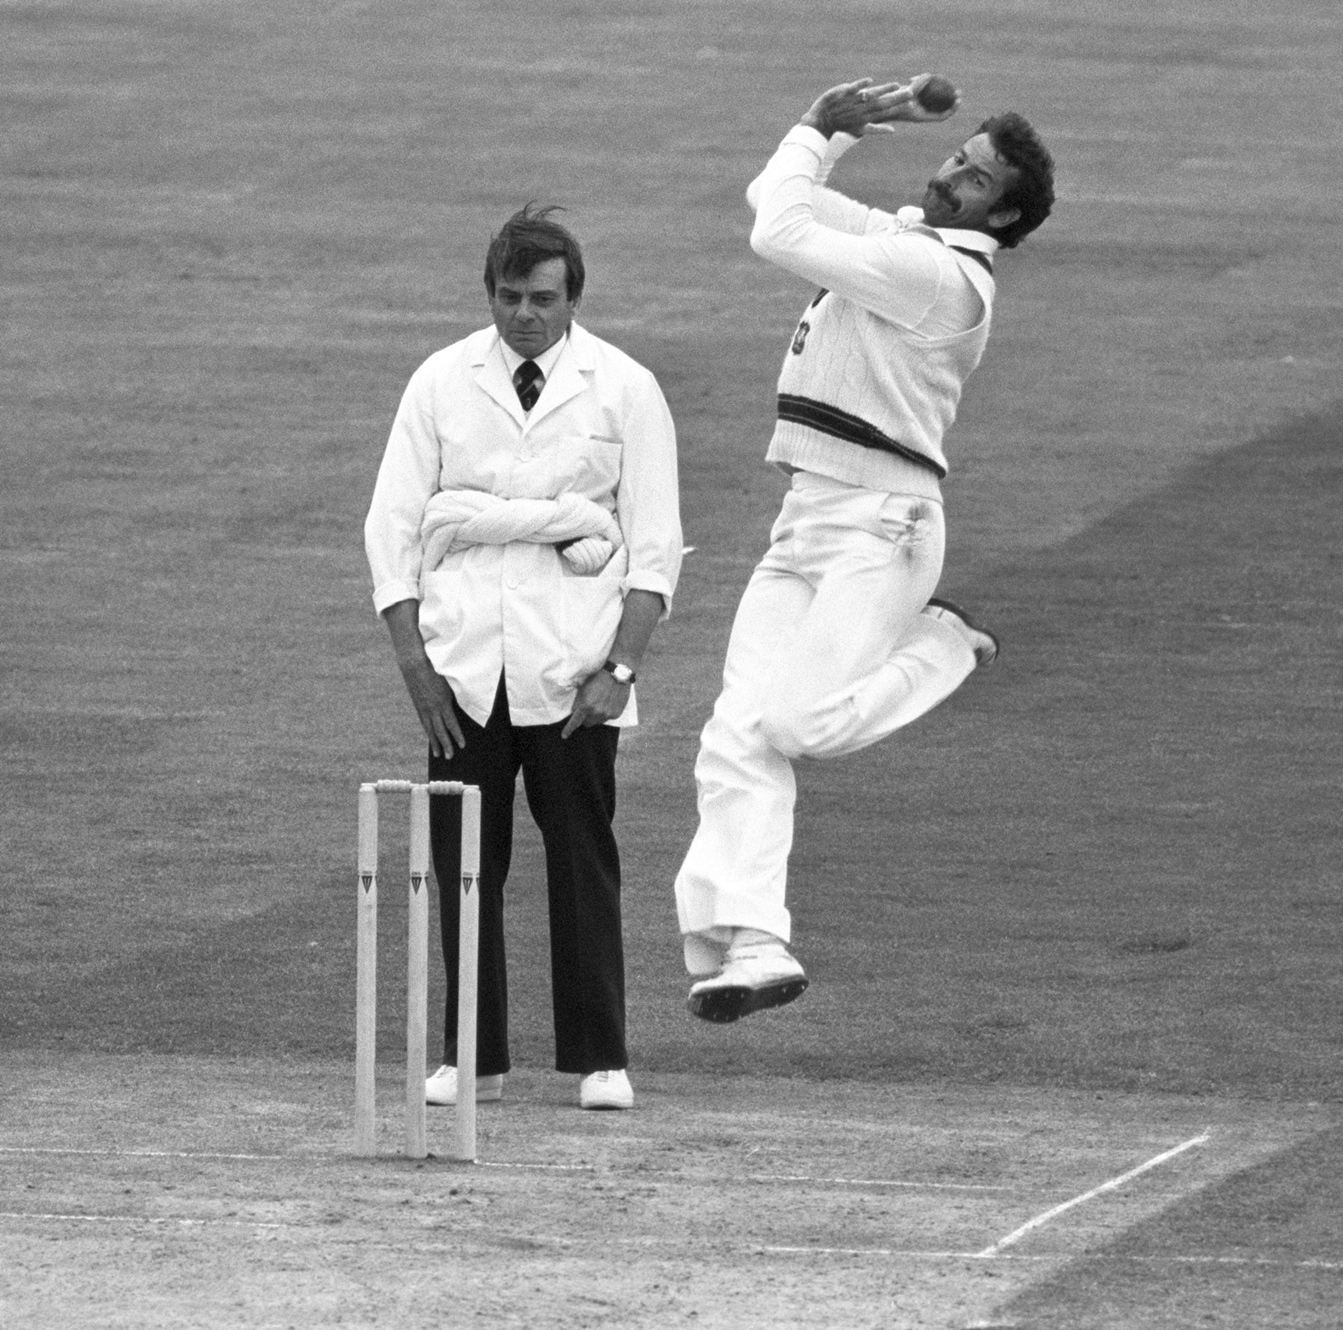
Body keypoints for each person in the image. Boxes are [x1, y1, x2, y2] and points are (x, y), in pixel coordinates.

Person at [672, 77, 1055, 1022]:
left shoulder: (939, 277)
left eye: (973, 178)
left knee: (796, 725)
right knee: (738, 732)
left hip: (884, 525)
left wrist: (814, 135)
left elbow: (779, 237)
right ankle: (754, 944)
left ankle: (941, 645)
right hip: (809, 513)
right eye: (954, 157)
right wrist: (823, 133)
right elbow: (776, 202)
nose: (948, 175)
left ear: (1002, 216)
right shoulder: (904, 242)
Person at [365, 204, 682, 1108]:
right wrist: (413, 661)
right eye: (509, 297)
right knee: (466, 858)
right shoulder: (440, 381)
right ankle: (473, 1055)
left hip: (576, 665)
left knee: (583, 853)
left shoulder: (624, 388)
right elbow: (390, 524)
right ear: (490, 294)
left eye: (543, 299)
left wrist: (620, 671)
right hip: (462, 666)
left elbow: (655, 543)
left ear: (573, 299)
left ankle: (602, 1057)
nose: (523, 316)